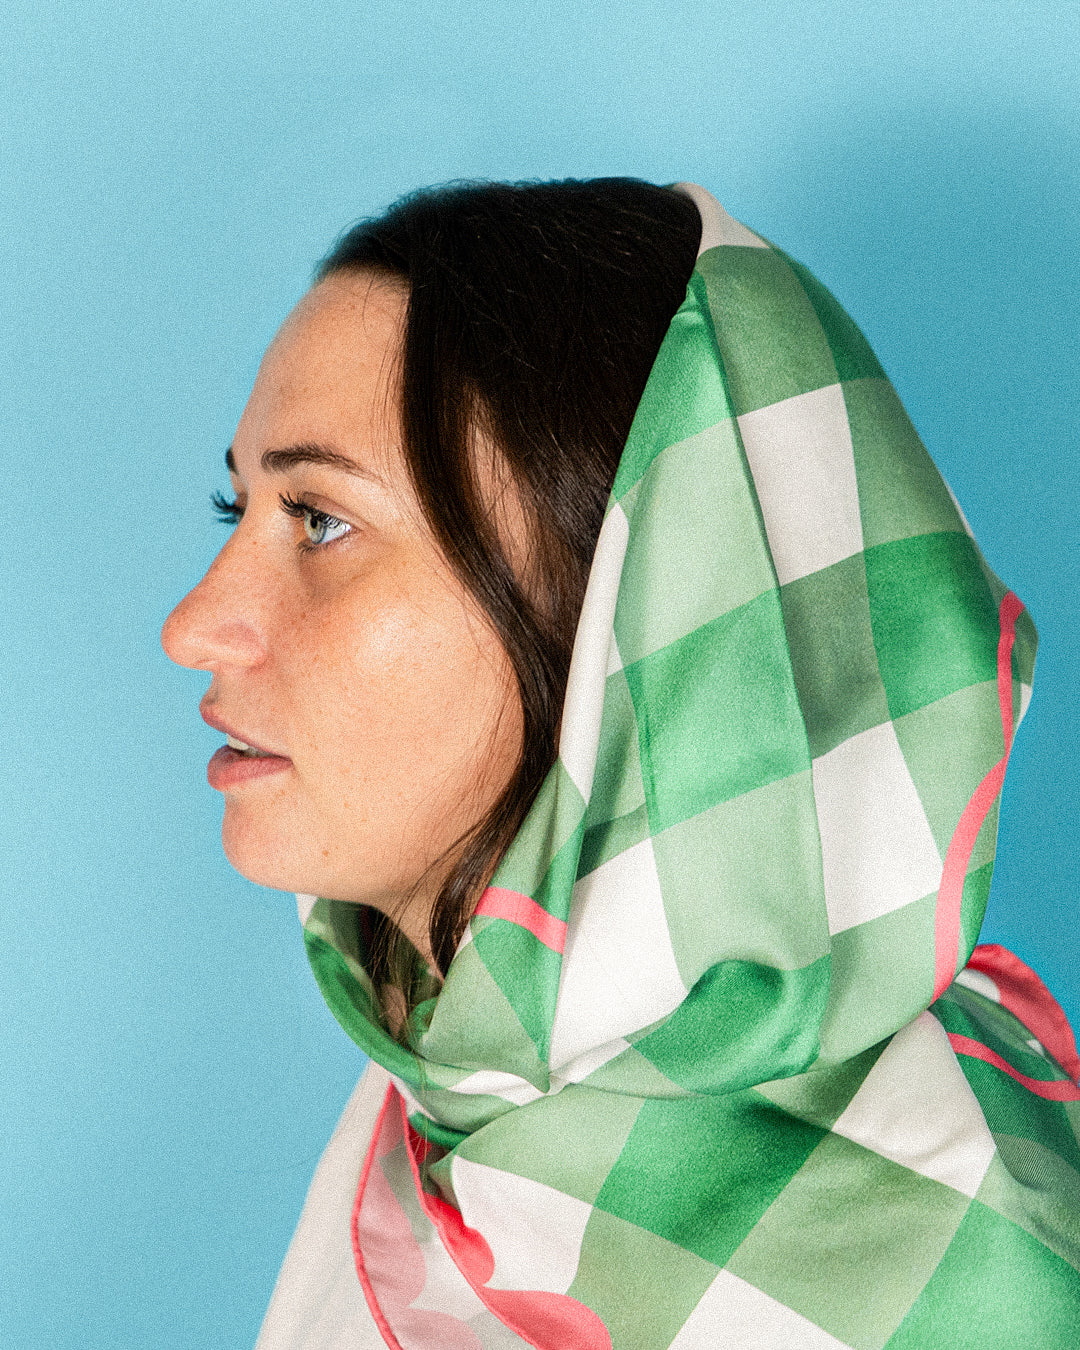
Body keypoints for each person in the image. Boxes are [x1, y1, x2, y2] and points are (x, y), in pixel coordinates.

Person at [162, 178, 1080, 1349]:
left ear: (635, 611)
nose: (193, 626)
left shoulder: (979, 1294)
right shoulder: (462, 1100)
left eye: (320, 520)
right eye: (231, 510)